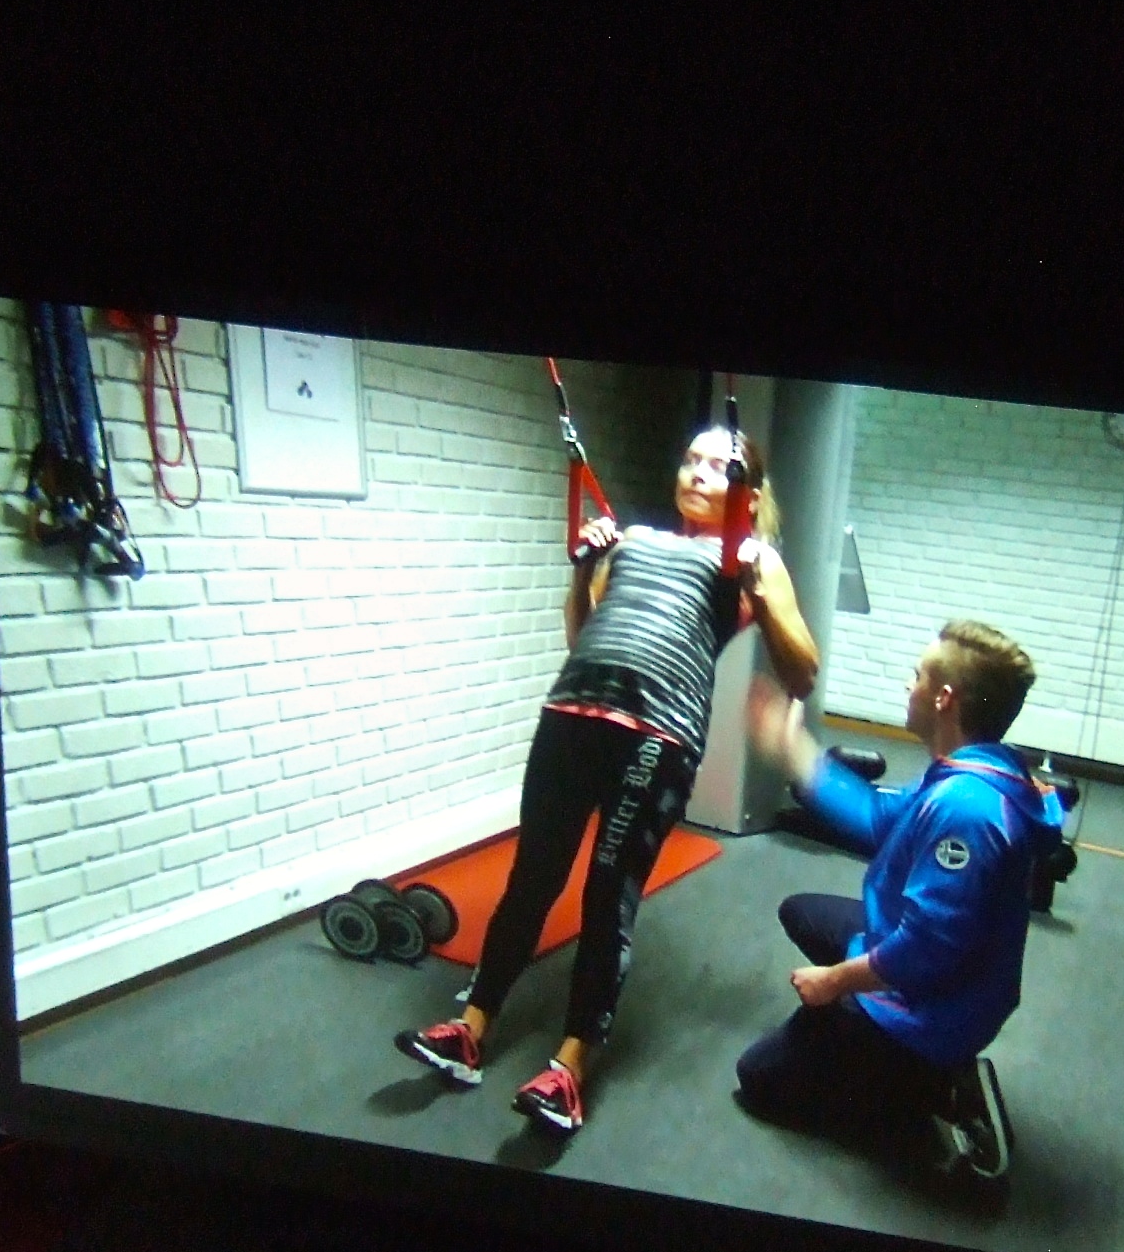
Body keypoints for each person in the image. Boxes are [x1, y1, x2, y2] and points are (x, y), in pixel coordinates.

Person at [396, 424, 820, 1133]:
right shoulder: (632, 541)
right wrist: (581, 571)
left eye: (719, 466)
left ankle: (569, 1069)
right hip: (571, 714)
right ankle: (470, 1030)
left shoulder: (751, 558)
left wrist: (762, 594)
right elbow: (581, 635)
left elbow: (803, 671)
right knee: (532, 878)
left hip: (657, 735)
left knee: (606, 894)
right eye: (691, 458)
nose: (697, 472)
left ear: (748, 491)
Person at [735, 620, 1065, 1173]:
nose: (907, 685)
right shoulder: (973, 769)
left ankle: (924, 1084)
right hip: (944, 973)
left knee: (758, 1079)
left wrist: (832, 982)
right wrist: (796, 754)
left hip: (932, 1010)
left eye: (917, 675)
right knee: (802, 912)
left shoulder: (968, 809)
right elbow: (877, 816)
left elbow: (926, 952)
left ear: (943, 698)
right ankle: (883, 1057)